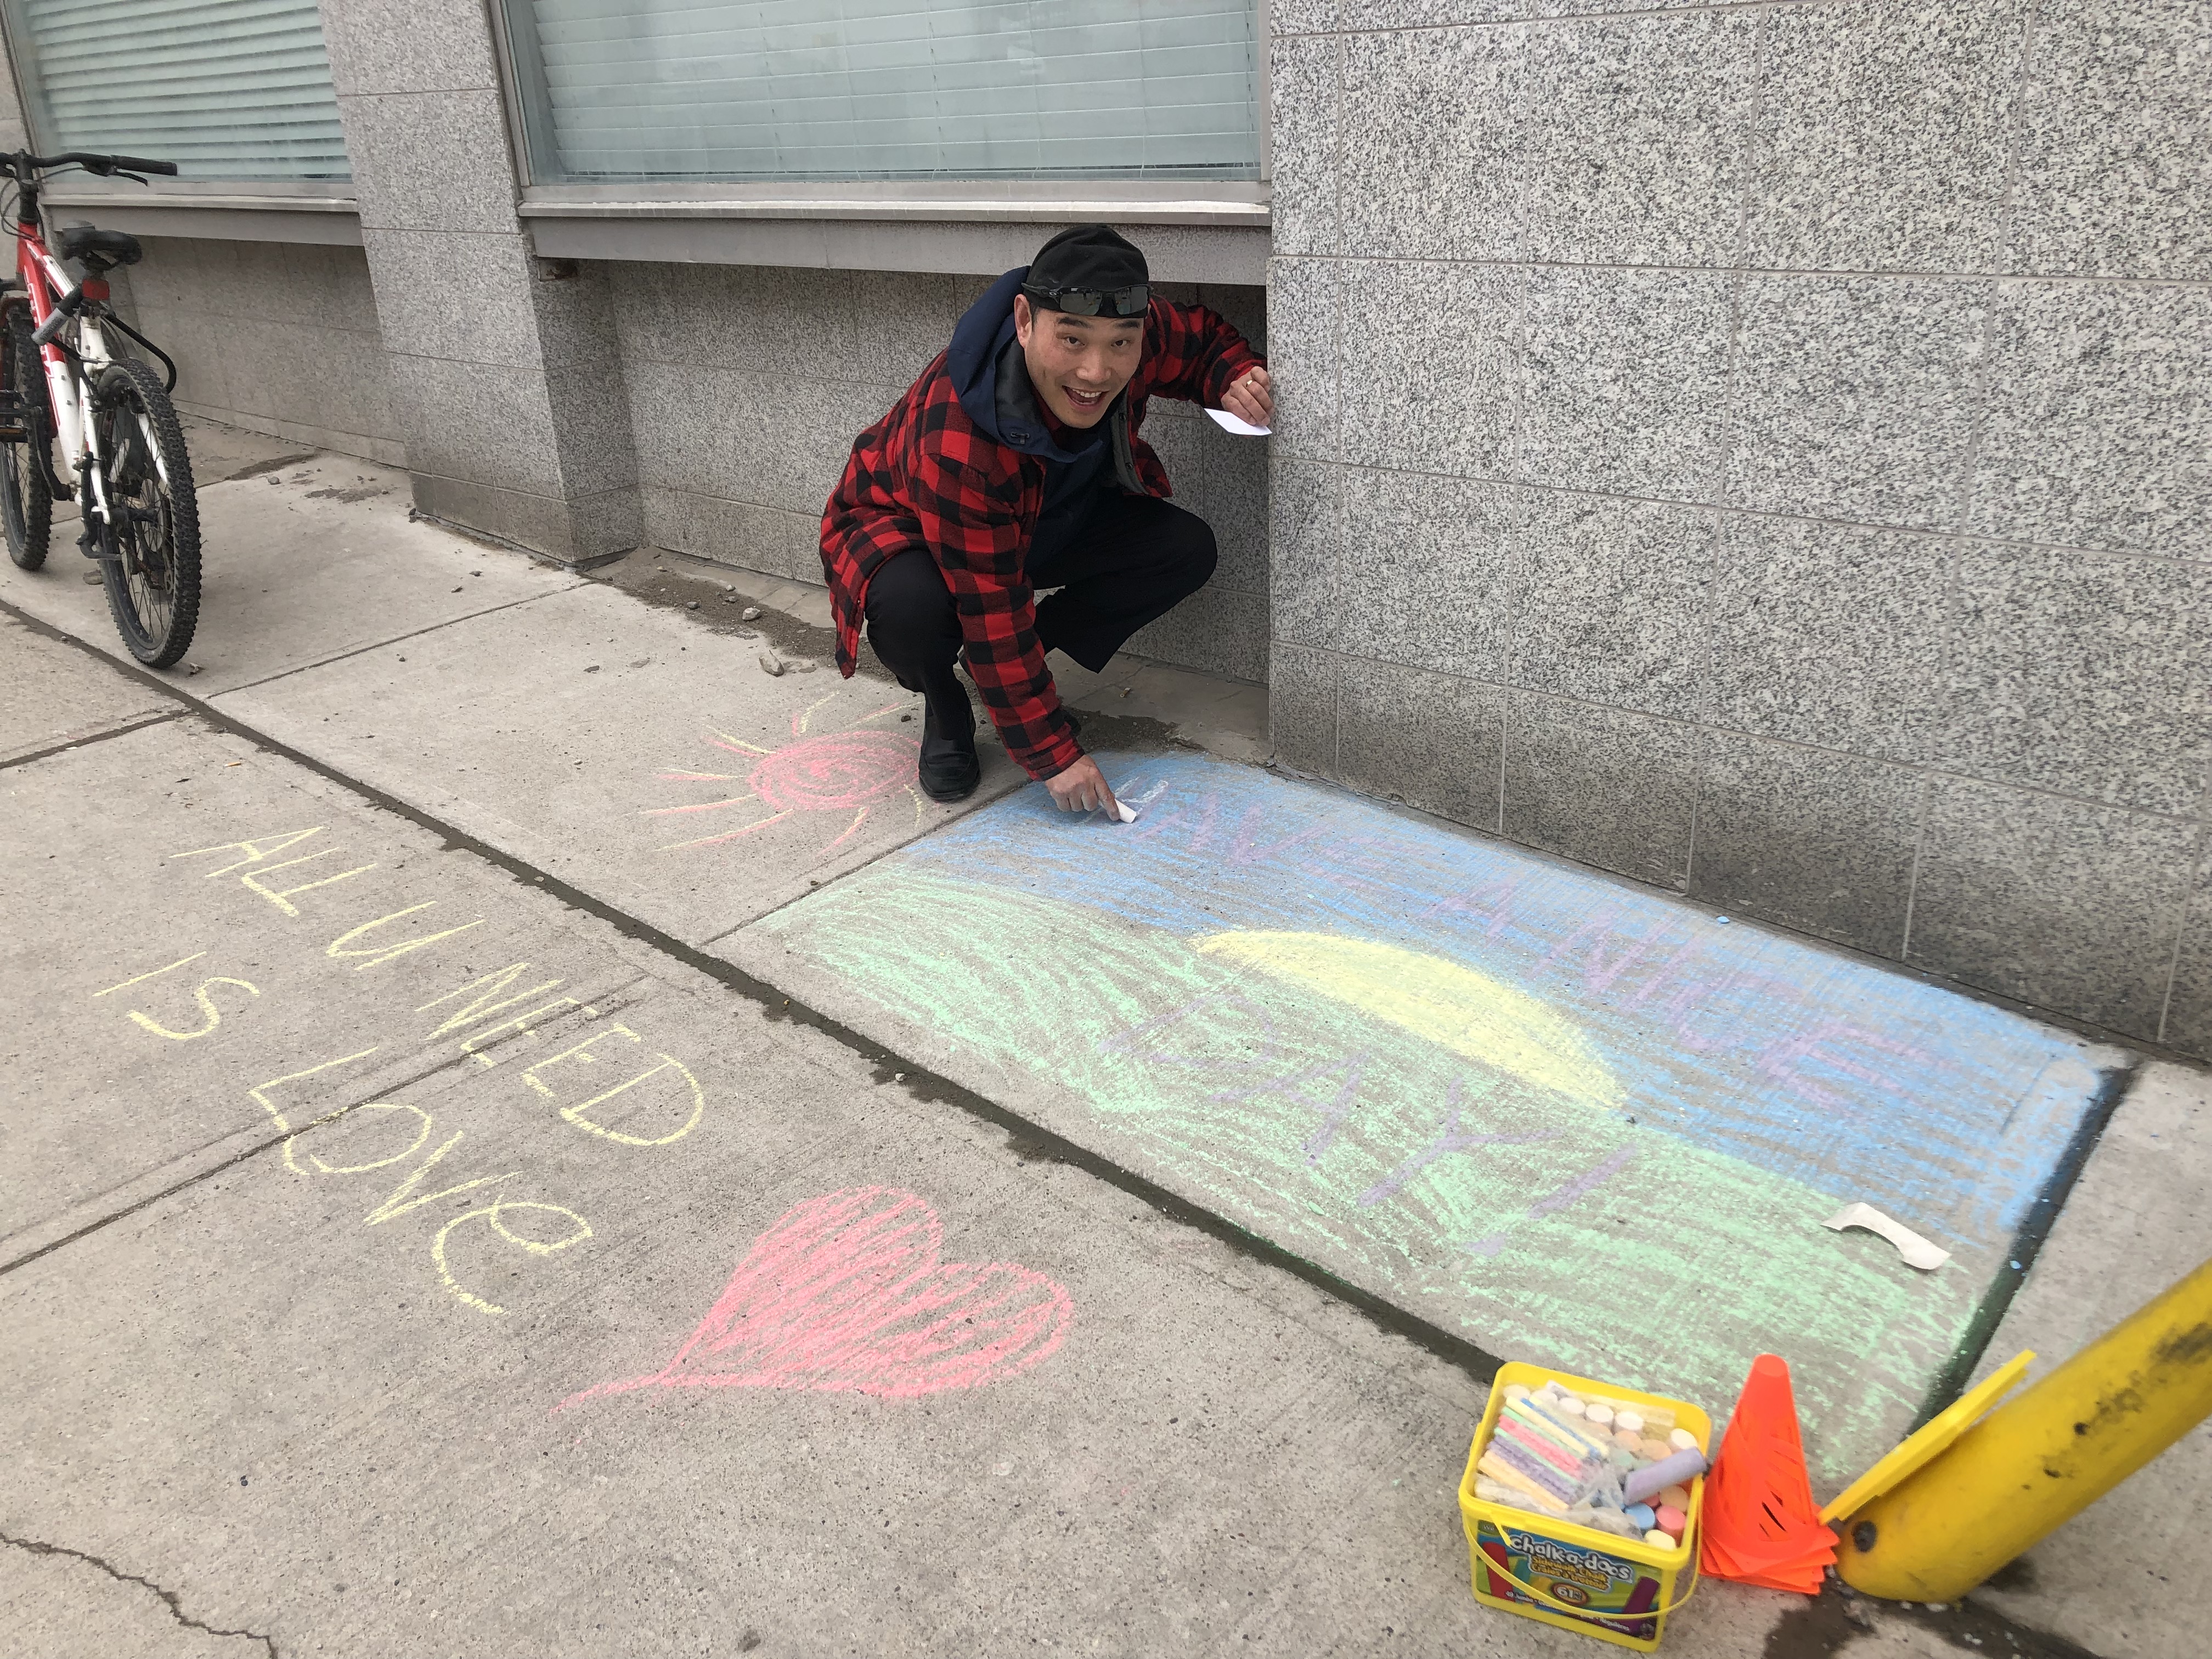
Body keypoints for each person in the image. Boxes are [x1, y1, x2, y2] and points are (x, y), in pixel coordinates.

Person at [819, 224, 1272, 815]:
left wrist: (1235, 376)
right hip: (911, 535)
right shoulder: (959, 435)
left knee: (1182, 547)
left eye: (1120, 345)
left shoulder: (1134, 332)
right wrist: (1052, 754)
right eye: (1073, 341)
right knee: (915, 611)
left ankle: (1005, 674)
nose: (1096, 371)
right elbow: (988, 606)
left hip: (1039, 518)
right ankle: (946, 705)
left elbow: (1202, 342)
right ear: (1026, 321)